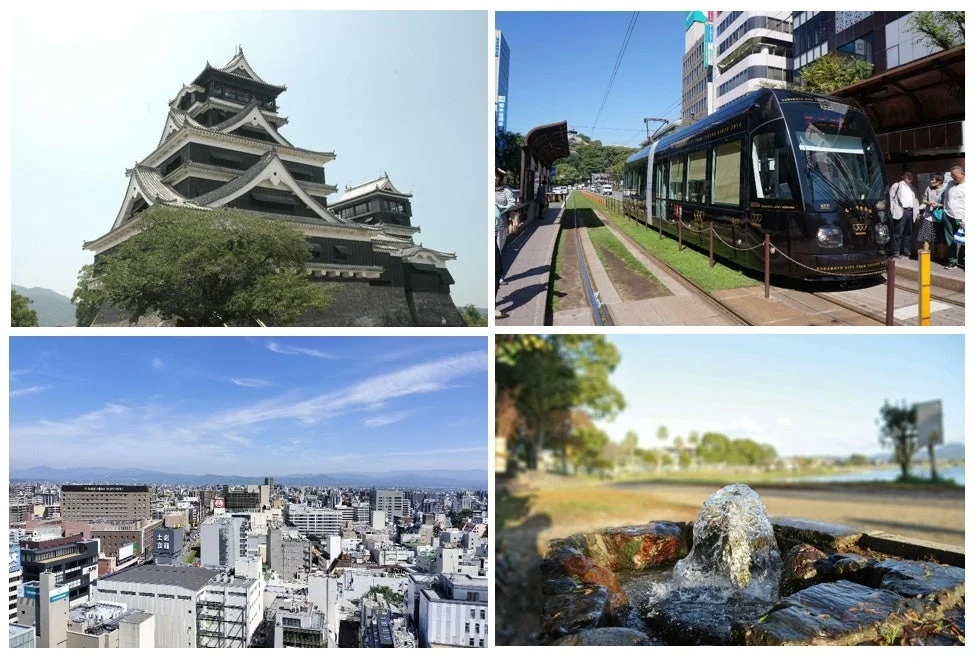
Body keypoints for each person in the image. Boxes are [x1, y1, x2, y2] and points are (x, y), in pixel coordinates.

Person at [495, 167, 516, 319]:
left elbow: (512, 204)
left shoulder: (506, 191)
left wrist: (505, 212)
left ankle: (498, 277)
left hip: (500, 226)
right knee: (495, 264)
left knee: (499, 252)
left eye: (495, 176)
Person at [887, 171, 918, 258]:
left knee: (909, 233)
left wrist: (917, 212)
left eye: (911, 175)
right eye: (907, 175)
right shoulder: (897, 185)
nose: (909, 177)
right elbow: (890, 197)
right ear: (902, 176)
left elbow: (916, 200)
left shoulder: (913, 188)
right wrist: (892, 210)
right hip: (901, 211)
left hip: (911, 212)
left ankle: (906, 250)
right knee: (898, 233)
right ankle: (896, 252)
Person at [942, 165, 965, 270]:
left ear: (962, 174)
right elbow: (946, 197)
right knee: (950, 240)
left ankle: (963, 260)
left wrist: (965, 220)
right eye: (951, 175)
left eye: (955, 175)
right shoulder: (950, 184)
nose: (953, 178)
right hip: (948, 215)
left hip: (961, 217)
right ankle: (952, 261)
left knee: (965, 241)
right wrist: (944, 210)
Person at [918, 174, 944, 253]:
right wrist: (929, 203)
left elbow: (947, 204)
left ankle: (941, 257)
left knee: (940, 237)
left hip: (939, 217)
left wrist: (938, 205)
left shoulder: (945, 190)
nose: (931, 181)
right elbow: (924, 199)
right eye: (931, 179)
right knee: (927, 236)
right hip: (928, 216)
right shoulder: (928, 188)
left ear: (939, 181)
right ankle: (925, 257)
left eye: (933, 179)